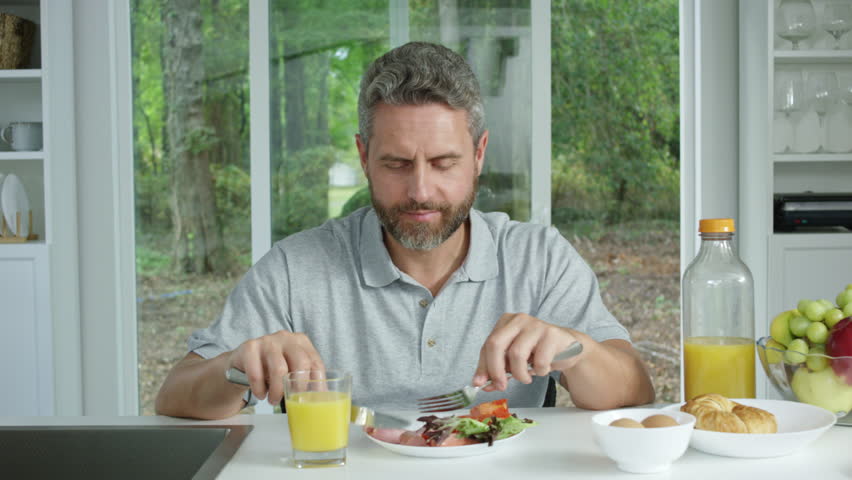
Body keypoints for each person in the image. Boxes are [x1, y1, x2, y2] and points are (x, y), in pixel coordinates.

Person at [155, 42, 655, 420]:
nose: (420, 191)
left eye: (443, 163)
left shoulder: (538, 257)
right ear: (363, 157)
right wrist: (239, 366)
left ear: (478, 155)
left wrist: (574, 348)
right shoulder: (295, 267)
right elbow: (174, 397)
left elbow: (635, 392)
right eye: (396, 163)